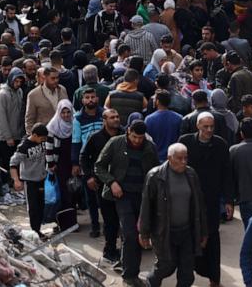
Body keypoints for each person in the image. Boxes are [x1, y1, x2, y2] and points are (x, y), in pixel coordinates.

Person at [94, 119, 159, 287]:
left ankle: (125, 263)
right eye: (134, 136)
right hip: (122, 196)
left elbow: (155, 173)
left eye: (140, 137)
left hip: (142, 197)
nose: (137, 140)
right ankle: (130, 276)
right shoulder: (115, 143)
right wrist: (112, 182)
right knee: (130, 235)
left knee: (137, 233)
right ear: (128, 131)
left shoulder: (150, 148)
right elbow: (99, 166)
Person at [139, 143, 207, 287]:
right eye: (179, 158)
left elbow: (199, 206)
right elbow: (146, 206)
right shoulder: (155, 176)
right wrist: (144, 233)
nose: (183, 162)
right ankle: (151, 282)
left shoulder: (191, 174)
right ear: (169, 158)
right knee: (166, 266)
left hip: (187, 232)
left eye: (185, 158)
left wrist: (203, 232)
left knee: (187, 272)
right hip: (164, 232)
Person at [179, 113, 233, 287]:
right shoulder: (185, 142)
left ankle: (214, 279)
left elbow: (227, 174)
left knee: (211, 238)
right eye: (205, 127)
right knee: (188, 238)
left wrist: (229, 200)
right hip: (188, 199)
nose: (209, 130)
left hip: (211, 200)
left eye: (212, 127)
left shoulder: (220, 144)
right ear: (198, 126)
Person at [80, 108, 123, 262]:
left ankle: (125, 251)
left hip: (123, 184)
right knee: (110, 220)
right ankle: (109, 250)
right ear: (104, 120)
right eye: (112, 117)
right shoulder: (95, 138)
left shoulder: (124, 135)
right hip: (103, 185)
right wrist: (89, 176)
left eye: (117, 116)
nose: (116, 119)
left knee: (124, 220)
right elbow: (84, 157)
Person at [72, 87, 104, 238]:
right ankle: (95, 226)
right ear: (82, 100)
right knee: (90, 197)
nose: (90, 100)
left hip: (104, 160)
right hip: (87, 161)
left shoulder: (104, 114)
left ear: (97, 99)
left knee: (105, 196)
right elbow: (76, 141)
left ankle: (110, 225)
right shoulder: (78, 119)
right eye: (87, 97)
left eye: (93, 97)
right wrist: (75, 163)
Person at [10, 123, 50, 239]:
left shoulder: (42, 143)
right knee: (33, 207)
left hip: (41, 178)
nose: (43, 140)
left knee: (41, 205)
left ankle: (38, 230)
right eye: (42, 138)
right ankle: (35, 232)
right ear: (35, 135)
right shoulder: (23, 147)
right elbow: (13, 164)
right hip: (29, 181)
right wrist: (16, 180)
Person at [45, 99, 78, 231]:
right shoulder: (53, 126)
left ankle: (73, 221)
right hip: (60, 164)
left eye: (68, 112)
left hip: (73, 163)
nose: (65, 115)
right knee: (63, 193)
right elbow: (48, 147)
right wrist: (51, 164)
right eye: (63, 112)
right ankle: (65, 224)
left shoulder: (75, 123)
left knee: (73, 192)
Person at [25, 67, 67, 136]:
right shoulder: (33, 95)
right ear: (45, 78)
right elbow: (29, 119)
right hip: (44, 136)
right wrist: (31, 137)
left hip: (62, 133)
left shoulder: (62, 89)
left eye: (57, 78)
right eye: (53, 78)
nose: (56, 80)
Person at [146, 91, 183, 162]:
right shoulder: (179, 118)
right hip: (173, 157)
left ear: (158, 101)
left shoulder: (149, 119)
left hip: (156, 158)